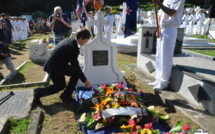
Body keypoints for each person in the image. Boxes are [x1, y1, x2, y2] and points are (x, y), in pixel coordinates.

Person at [34, 28, 92, 102]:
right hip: (54, 66)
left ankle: (66, 95)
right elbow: (76, 66)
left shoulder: (69, 40)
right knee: (60, 86)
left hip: (57, 65)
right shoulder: (73, 47)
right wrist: (85, 81)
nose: (86, 43)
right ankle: (38, 92)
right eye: (86, 40)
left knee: (75, 74)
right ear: (81, 39)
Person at [149, 0, 185, 90]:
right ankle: (158, 78)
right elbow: (160, 15)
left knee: (166, 56)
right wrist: (158, 28)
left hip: (170, 28)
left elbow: (171, 12)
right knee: (159, 56)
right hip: (162, 28)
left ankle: (164, 82)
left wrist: (159, 3)